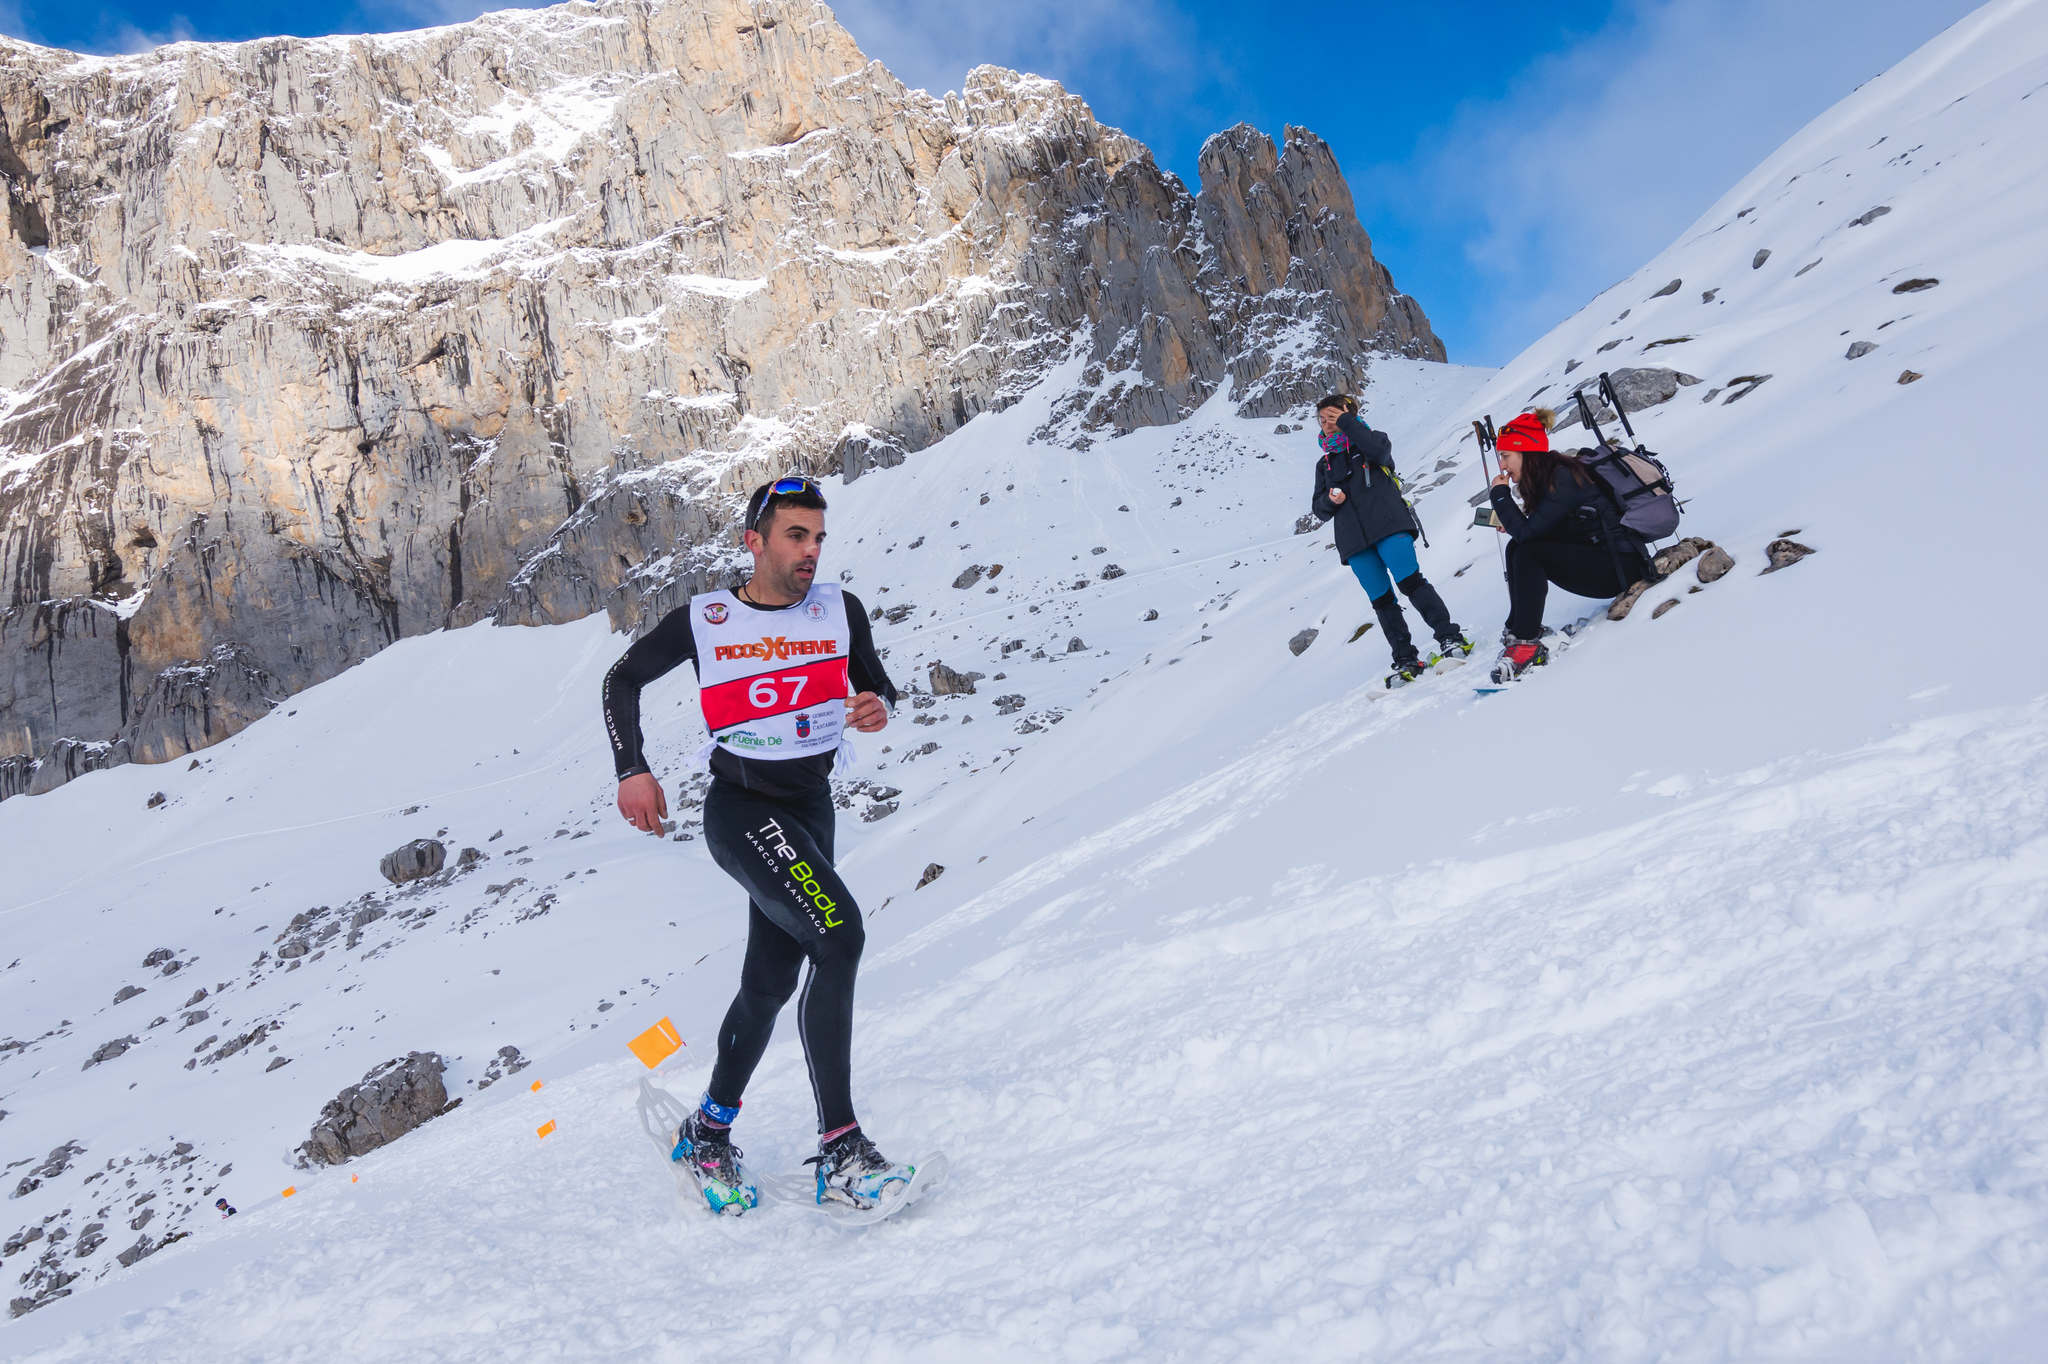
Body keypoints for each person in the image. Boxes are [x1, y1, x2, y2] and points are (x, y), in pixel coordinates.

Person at [600, 475, 909, 1215]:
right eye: (796, 536)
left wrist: (876, 706)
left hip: (810, 808)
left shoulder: (841, 610)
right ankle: (841, 1149)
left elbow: (879, 686)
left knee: (770, 984)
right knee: (840, 936)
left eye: (819, 537)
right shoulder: (706, 619)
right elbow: (621, 681)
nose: (811, 551)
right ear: (756, 542)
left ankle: (707, 1129)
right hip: (742, 808)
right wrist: (632, 770)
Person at [1309, 394, 1470, 682]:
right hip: (1355, 542)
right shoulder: (1325, 465)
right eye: (1322, 420)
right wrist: (1331, 502)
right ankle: (1405, 659)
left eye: (1332, 417)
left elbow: (1381, 454)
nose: (1327, 424)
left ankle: (1450, 637)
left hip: (1389, 526)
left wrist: (1347, 421)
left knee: (1411, 581)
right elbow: (1318, 509)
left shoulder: (1372, 441)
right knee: (1382, 601)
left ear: (1348, 413)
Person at [1486, 411, 1653, 679]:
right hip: (1604, 559)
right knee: (1516, 548)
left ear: (1526, 451)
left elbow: (1530, 535)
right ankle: (1520, 629)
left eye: (1506, 456)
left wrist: (1500, 496)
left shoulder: (1561, 478)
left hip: (1620, 568)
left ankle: (1526, 644)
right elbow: (1536, 531)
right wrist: (1513, 520)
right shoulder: (1550, 476)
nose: (1503, 466)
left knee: (1528, 551)